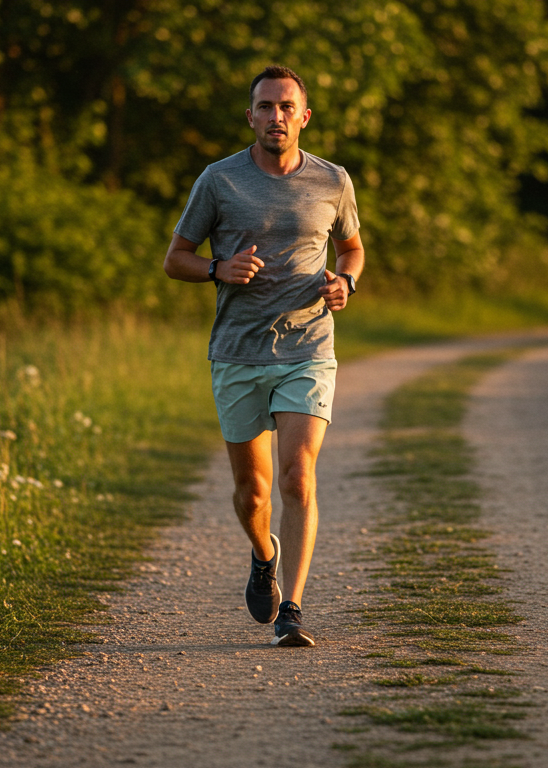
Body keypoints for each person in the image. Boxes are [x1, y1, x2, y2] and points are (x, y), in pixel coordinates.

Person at [162, 65, 364, 647]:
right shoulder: (219, 181)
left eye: (286, 107)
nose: (276, 117)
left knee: (298, 477)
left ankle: (293, 611)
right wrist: (216, 269)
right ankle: (262, 553)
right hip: (237, 353)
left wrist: (346, 284)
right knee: (253, 493)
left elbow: (351, 248)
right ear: (249, 116)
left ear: (304, 116)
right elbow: (176, 257)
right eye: (265, 107)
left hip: (308, 346)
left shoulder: (333, 180)